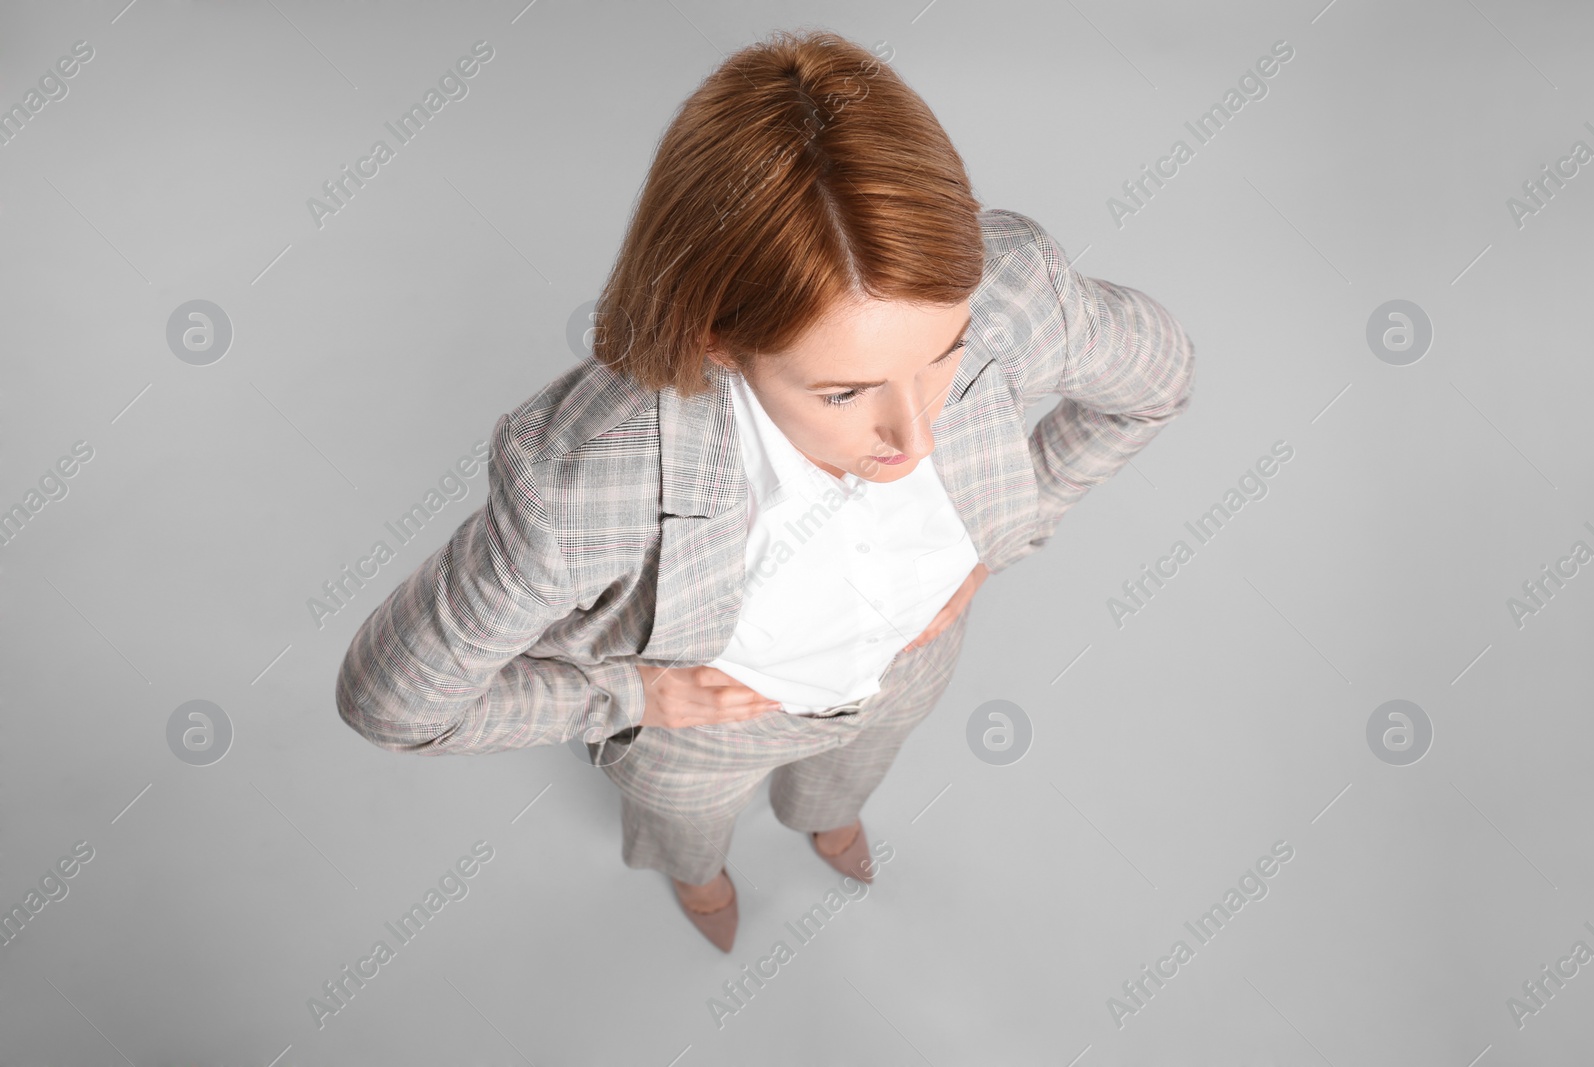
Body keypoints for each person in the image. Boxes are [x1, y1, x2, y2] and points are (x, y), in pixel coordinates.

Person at [335, 28, 1196, 954]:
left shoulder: (1016, 289)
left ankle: (828, 821)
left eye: (941, 357)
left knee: (851, 772)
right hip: (704, 730)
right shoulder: (585, 482)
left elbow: (1156, 386)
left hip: (910, 665)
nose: (914, 438)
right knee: (689, 834)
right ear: (716, 339)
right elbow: (393, 704)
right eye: (843, 391)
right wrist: (625, 699)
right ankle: (698, 880)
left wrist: (1005, 540)